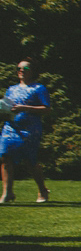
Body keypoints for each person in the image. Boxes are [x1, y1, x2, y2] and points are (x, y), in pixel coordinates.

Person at [0, 61, 52, 204]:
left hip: (30, 129)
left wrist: (25, 108)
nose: (22, 70)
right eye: (19, 68)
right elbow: (7, 105)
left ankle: (42, 190)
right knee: (5, 157)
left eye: (26, 68)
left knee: (30, 160)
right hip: (10, 127)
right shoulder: (11, 89)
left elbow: (47, 109)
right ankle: (7, 192)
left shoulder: (39, 88)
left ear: (33, 70)